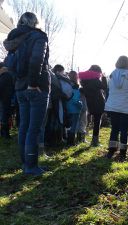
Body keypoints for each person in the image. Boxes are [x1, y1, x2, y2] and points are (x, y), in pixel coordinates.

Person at [3, 12, 50, 175]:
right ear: (35, 22)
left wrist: (21, 83)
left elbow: (10, 65)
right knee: (34, 128)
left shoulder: (13, 39)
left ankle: (26, 163)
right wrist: (33, 84)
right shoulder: (38, 36)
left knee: (24, 126)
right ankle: (31, 166)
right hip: (36, 87)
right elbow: (37, 60)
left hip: (20, 87)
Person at [105, 56, 128, 160]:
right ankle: (123, 153)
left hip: (113, 106)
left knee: (114, 129)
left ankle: (111, 151)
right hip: (126, 106)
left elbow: (109, 89)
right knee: (124, 130)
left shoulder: (111, 75)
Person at [79, 65, 107, 147]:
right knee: (97, 122)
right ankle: (95, 141)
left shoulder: (84, 81)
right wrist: (104, 78)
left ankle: (82, 138)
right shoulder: (95, 81)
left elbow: (83, 90)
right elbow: (105, 87)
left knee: (86, 120)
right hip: (98, 103)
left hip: (89, 103)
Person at [66, 71, 82, 145]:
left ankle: (67, 140)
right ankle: (71, 142)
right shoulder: (75, 87)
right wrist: (80, 105)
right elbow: (75, 99)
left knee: (68, 125)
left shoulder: (67, 85)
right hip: (75, 109)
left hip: (67, 108)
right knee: (73, 126)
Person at [0, 62, 14, 139]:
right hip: (8, 98)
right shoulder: (8, 75)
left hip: (4, 99)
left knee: (4, 117)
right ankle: (5, 134)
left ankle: (4, 134)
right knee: (5, 116)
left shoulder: (3, 76)